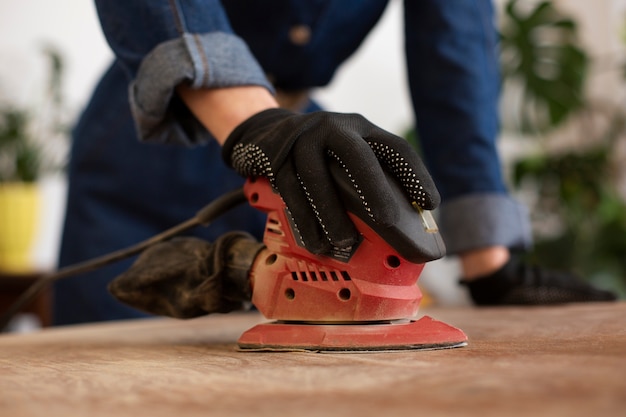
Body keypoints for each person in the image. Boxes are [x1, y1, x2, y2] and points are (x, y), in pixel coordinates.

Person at [53, 0, 615, 325]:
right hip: (155, 148)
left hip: (301, 150)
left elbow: (455, 50)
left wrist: (488, 261)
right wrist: (257, 126)